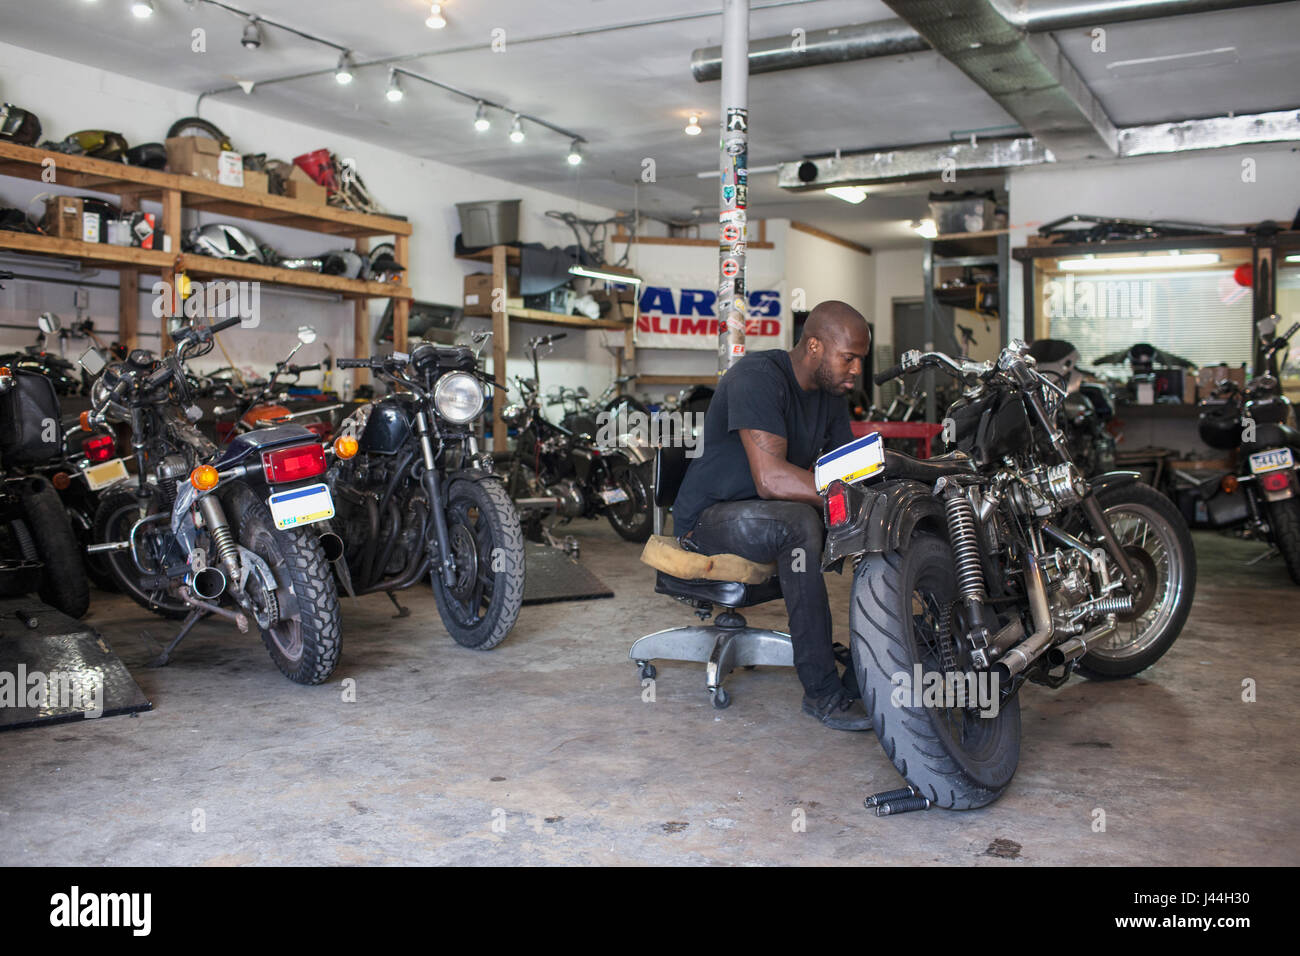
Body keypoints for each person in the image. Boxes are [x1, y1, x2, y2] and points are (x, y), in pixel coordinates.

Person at [672, 300, 873, 731]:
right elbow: (772, 481)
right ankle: (822, 693)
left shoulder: (831, 395)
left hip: (763, 516)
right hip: (708, 520)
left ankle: (866, 671)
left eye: (860, 359)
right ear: (815, 345)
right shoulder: (757, 377)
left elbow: (843, 474)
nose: (856, 369)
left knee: (870, 521)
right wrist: (852, 499)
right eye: (849, 357)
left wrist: (876, 499)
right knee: (799, 522)